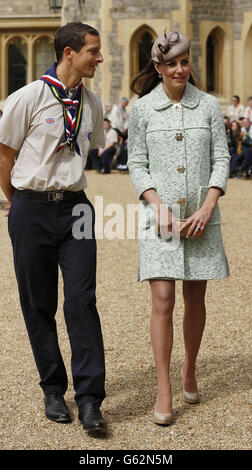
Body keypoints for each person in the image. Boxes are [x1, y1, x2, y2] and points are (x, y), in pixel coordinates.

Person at [0, 22, 108, 436]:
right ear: (69, 53)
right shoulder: (27, 97)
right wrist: (17, 202)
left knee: (82, 300)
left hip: (76, 208)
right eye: (93, 51)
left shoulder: (92, 102)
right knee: (38, 303)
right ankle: (52, 388)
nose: (99, 58)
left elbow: (88, 149)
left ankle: (89, 398)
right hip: (30, 209)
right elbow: (4, 156)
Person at [128, 30, 230, 426]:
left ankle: (190, 368)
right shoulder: (142, 109)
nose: (180, 69)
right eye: (171, 63)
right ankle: (164, 388)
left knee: (195, 299)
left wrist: (209, 204)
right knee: (163, 301)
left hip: (203, 218)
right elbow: (136, 162)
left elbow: (221, 157)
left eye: (185, 61)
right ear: (158, 67)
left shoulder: (207, 105)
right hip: (161, 221)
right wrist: (157, 207)